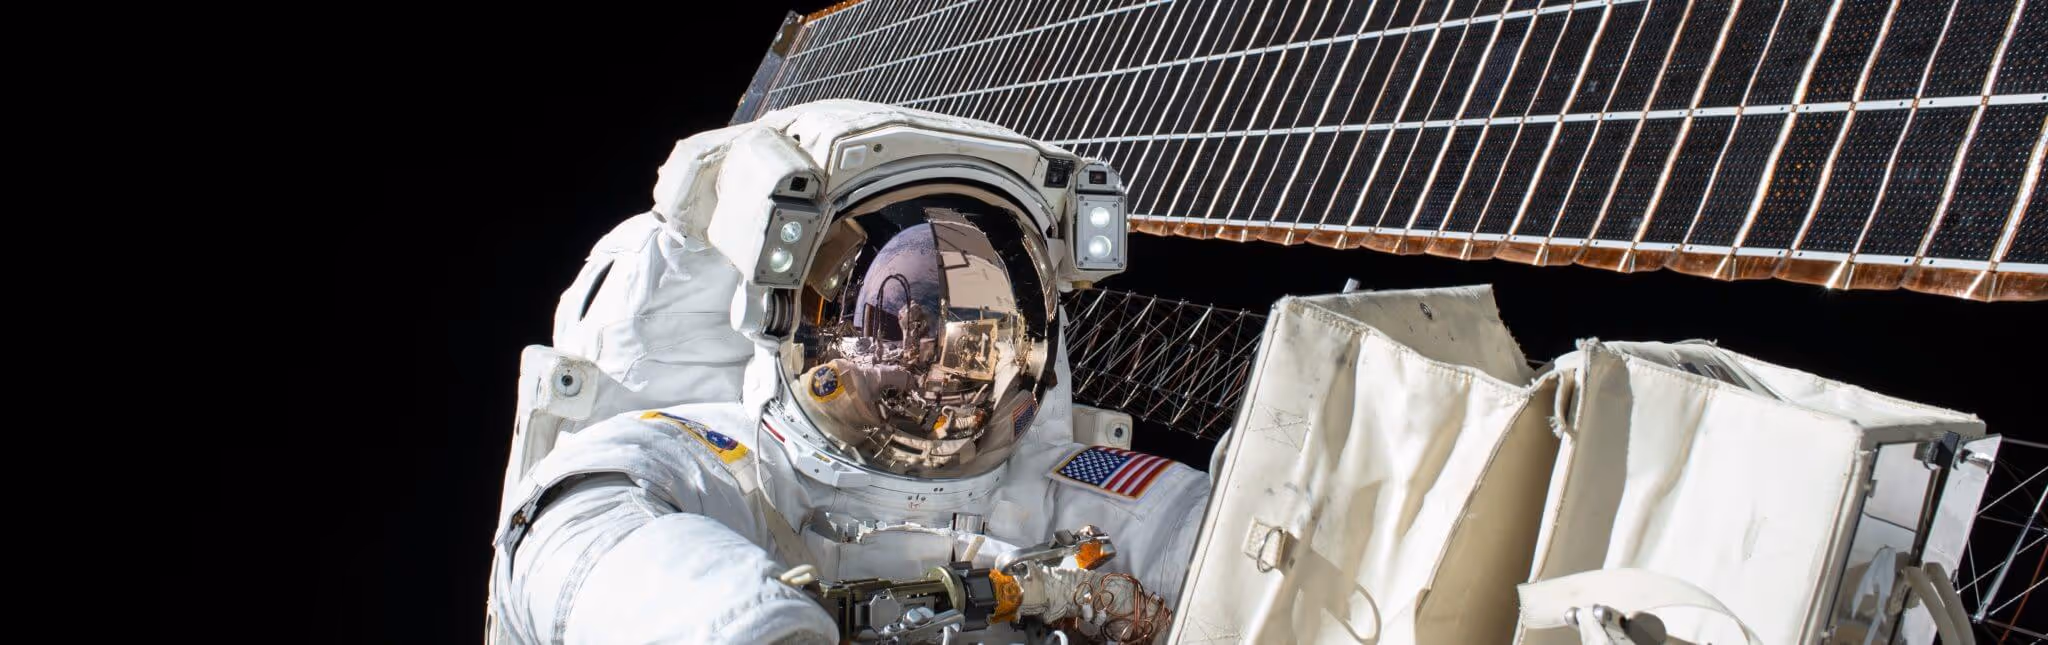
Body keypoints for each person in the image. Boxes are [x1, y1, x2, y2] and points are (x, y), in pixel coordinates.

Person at [486, 100, 1211, 644]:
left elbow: (1223, 544)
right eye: (907, 318)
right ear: (793, 319)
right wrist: (746, 626)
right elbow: (572, 525)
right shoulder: (729, 458)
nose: (935, 359)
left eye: (980, 325)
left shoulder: (1045, 482)